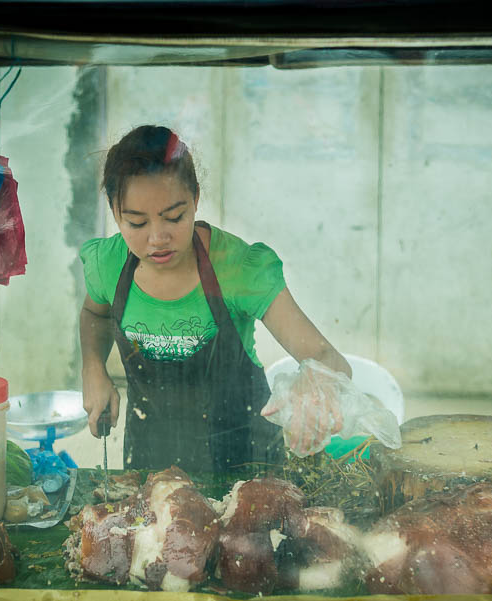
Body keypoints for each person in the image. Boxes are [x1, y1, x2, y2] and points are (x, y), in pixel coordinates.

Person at [79, 124, 351, 472]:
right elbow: (94, 313)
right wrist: (93, 367)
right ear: (115, 213)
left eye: (174, 217)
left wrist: (317, 385)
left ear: (195, 199)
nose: (157, 237)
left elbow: (327, 356)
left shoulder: (238, 268)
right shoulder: (109, 264)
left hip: (246, 465)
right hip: (150, 458)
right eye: (136, 223)